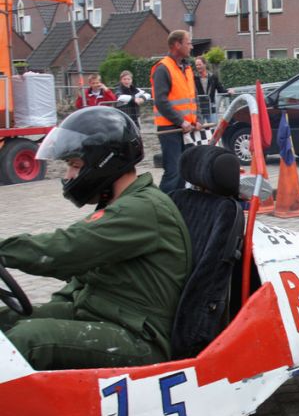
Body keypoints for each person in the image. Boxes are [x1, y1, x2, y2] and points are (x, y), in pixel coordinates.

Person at [0, 107, 191, 370]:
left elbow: (66, 249)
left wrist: (5, 252)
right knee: (5, 319)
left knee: (27, 339)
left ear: (104, 163)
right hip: (103, 312)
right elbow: (83, 268)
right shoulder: (123, 204)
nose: (68, 176)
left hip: (140, 337)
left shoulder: (141, 208)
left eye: (75, 166)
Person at [151, 30, 202, 194]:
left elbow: (193, 97)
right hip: (170, 129)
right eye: (188, 43)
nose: (191, 46)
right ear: (177, 45)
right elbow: (161, 101)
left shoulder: (186, 68)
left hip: (185, 128)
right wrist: (181, 121)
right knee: (173, 171)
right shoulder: (163, 68)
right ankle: (161, 204)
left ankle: (177, 203)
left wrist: (197, 119)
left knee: (183, 171)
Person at [193, 56, 232, 123]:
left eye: (199, 64)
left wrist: (228, 92)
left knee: (213, 125)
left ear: (205, 64)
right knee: (200, 127)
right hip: (199, 107)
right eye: (196, 65)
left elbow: (220, 90)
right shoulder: (193, 77)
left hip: (211, 106)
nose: (198, 67)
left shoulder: (213, 77)